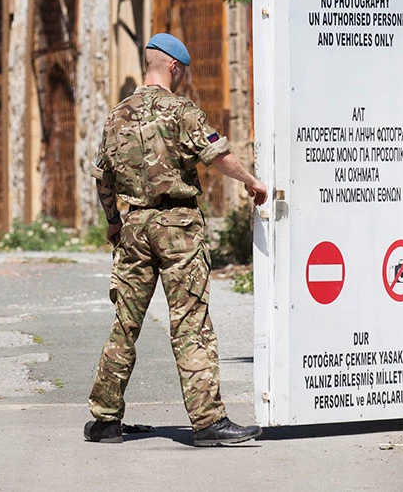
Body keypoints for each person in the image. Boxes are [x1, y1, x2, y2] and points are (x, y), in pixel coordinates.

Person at [84, 32, 268, 447]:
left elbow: (103, 179)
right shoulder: (181, 110)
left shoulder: (116, 116)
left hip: (134, 227)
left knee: (125, 323)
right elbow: (217, 154)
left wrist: (113, 222)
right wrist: (252, 181)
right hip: (177, 227)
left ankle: (104, 420)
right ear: (173, 67)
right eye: (182, 71)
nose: (183, 77)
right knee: (190, 322)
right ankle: (208, 422)